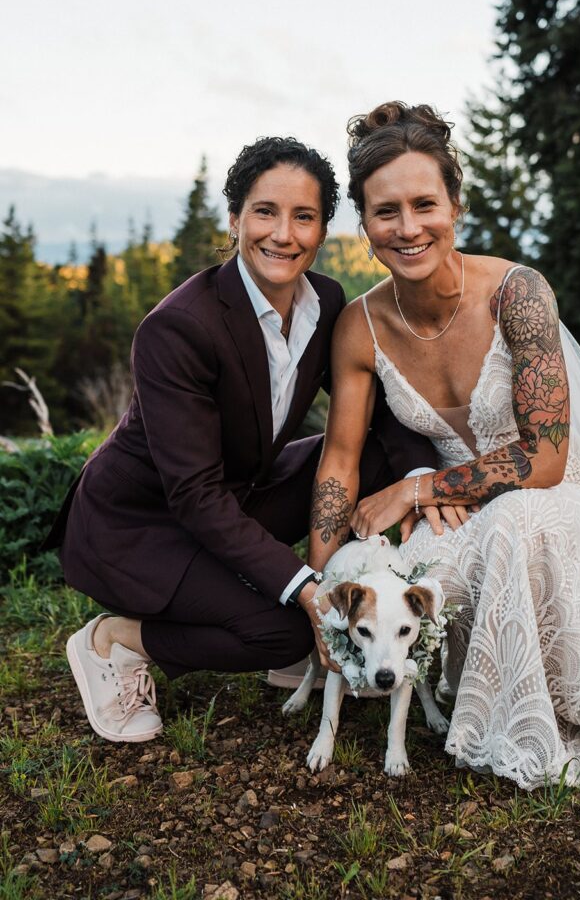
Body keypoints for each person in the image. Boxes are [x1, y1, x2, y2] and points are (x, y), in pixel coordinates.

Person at [308, 101, 580, 789]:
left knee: (517, 519)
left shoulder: (518, 294)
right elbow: (339, 459)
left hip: (564, 493)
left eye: (425, 203)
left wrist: (421, 489)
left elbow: (543, 456)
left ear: (455, 203)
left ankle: (531, 725)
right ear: (363, 224)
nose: (408, 227)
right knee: (409, 581)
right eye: (385, 211)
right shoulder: (358, 327)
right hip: (462, 508)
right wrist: (321, 588)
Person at [45, 135, 437, 744]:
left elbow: (376, 412)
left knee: (380, 454)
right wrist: (307, 588)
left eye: (303, 217)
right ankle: (116, 640)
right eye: (265, 212)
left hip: (238, 493)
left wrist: (419, 488)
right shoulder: (177, 328)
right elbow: (195, 496)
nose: (283, 234)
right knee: (282, 631)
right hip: (140, 525)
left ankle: (334, 605)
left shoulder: (327, 302)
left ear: (321, 229)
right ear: (235, 219)